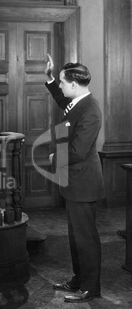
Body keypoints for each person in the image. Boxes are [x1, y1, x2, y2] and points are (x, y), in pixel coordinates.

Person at [45, 54, 105, 303]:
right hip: (75, 183)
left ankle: (91, 288)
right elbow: (62, 101)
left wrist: (53, 158)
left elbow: (79, 151)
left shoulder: (90, 111)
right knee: (75, 237)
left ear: (73, 84)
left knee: (86, 238)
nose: (60, 86)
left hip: (84, 183)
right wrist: (49, 78)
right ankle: (79, 280)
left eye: (61, 82)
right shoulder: (77, 101)